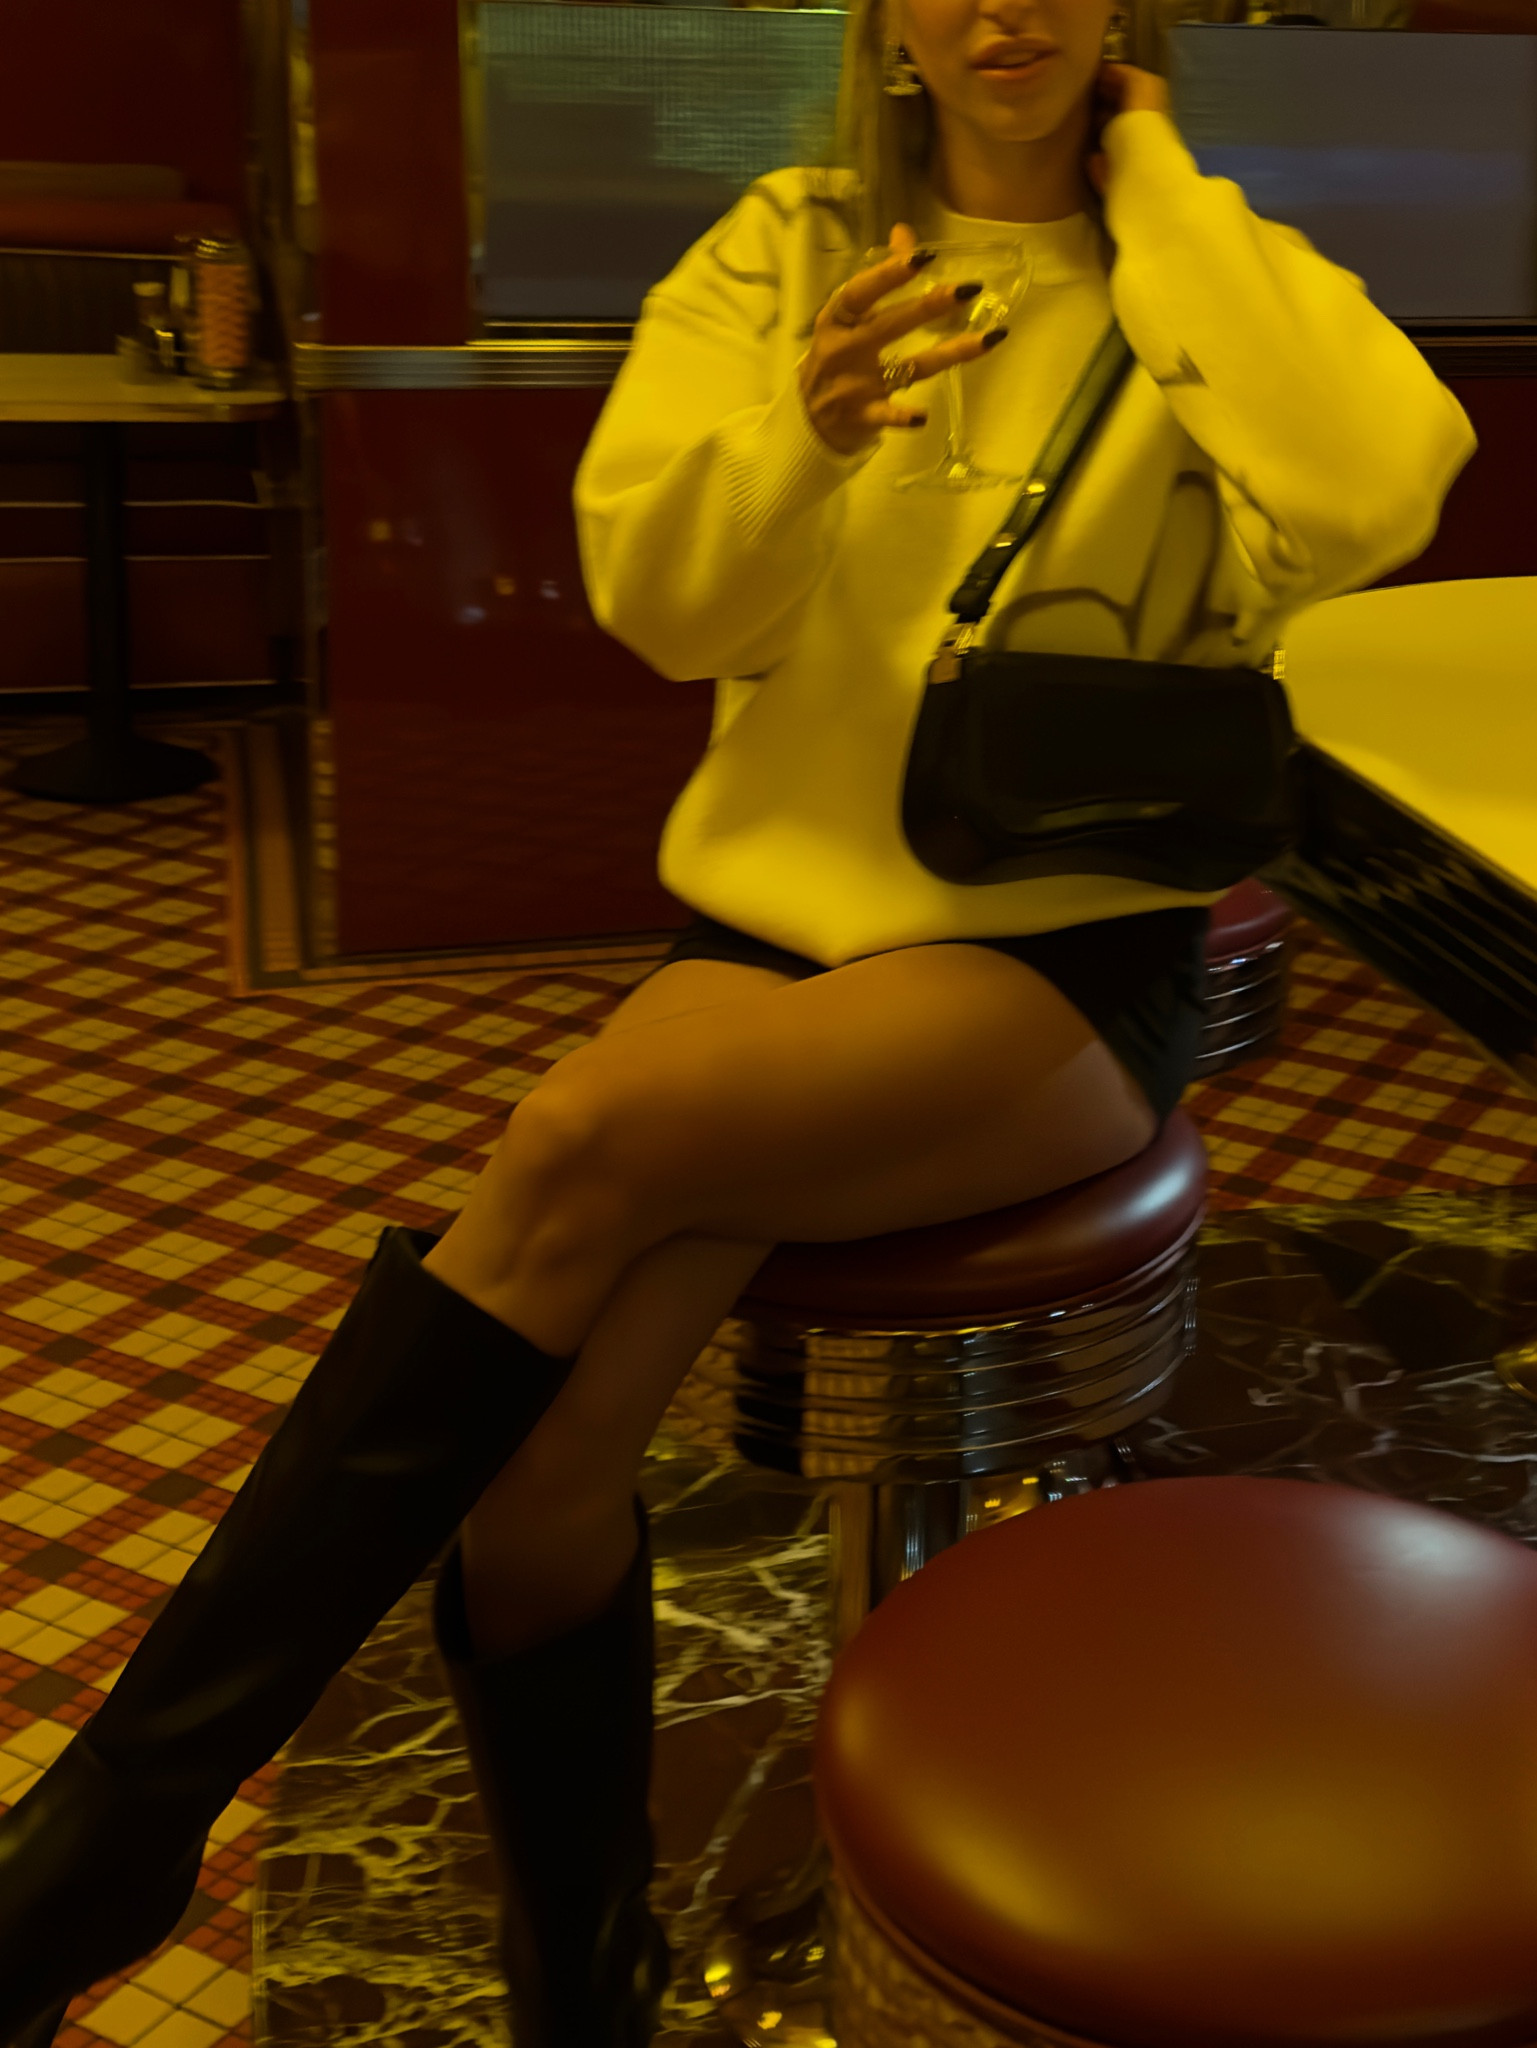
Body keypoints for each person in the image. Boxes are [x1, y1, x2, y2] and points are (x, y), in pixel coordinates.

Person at [0, 0, 1473, 2040]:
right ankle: (579, 1974)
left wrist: (1151, 181)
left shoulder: (1216, 258)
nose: (1001, 7)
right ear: (889, 22)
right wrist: (807, 428)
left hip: (1060, 958)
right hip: (771, 939)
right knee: (538, 1475)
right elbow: (667, 612)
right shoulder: (782, 247)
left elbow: (1375, 490)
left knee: (574, 1139)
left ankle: (117, 1822)